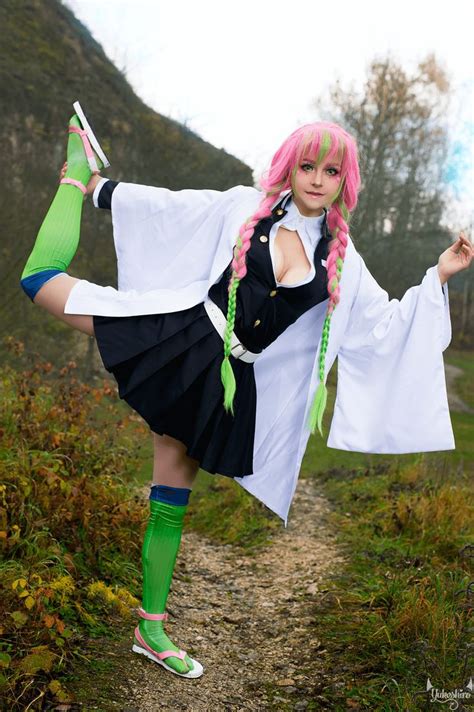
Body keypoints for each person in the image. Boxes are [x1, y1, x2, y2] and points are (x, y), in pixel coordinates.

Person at [20, 103, 473, 679]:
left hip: (227, 382)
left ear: (344, 182)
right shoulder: (246, 207)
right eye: (308, 165)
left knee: (171, 493)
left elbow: (381, 326)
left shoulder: (343, 259)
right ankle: (73, 173)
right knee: (40, 281)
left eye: (331, 172)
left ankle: (150, 628)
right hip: (182, 337)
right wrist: (98, 190)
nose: (317, 179)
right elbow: (173, 210)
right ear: (290, 166)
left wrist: (438, 276)